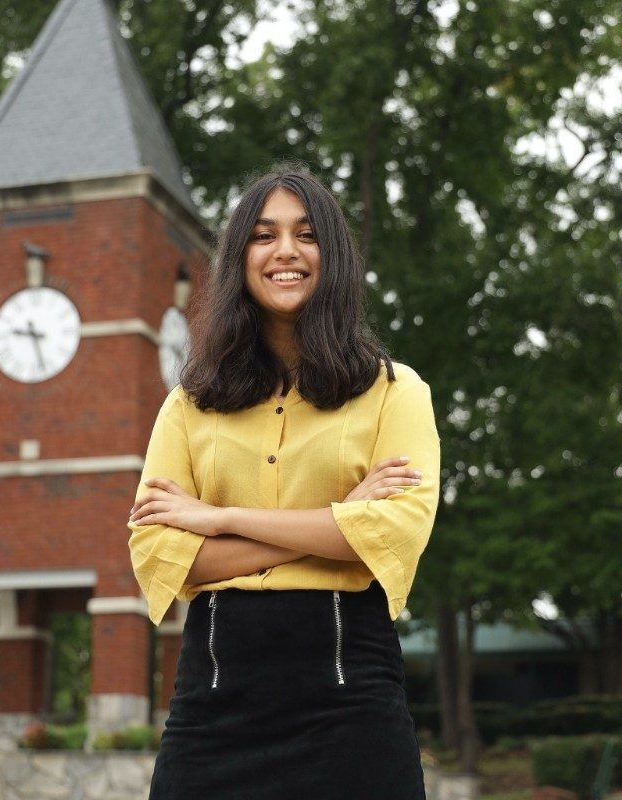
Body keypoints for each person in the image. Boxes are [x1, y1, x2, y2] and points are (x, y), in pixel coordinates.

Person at [127, 163, 440, 799]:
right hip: (213, 709)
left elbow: (390, 533)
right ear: (240, 256)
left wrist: (219, 520)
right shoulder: (189, 404)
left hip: (351, 706)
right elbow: (160, 555)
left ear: (334, 256)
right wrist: (335, 520)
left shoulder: (395, 392)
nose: (286, 252)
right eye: (264, 235)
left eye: (306, 234)